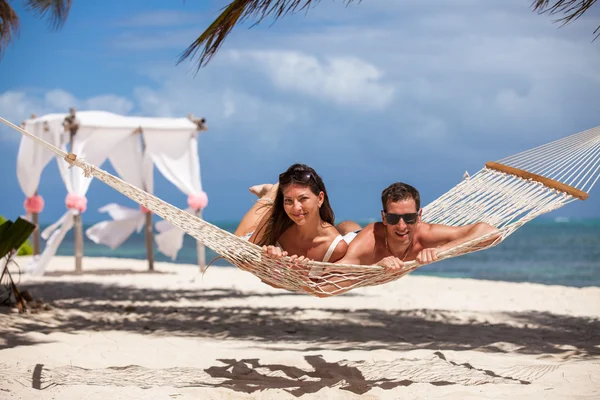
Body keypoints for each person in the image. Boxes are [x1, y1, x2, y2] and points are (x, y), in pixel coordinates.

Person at [336, 182, 499, 269]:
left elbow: (491, 232)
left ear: (419, 216)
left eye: (409, 218)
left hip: (359, 235)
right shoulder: (371, 235)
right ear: (384, 218)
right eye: (393, 218)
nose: (401, 226)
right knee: (345, 231)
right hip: (353, 241)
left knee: (350, 226)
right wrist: (375, 265)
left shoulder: (426, 233)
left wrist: (439, 250)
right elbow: (337, 271)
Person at [234, 163, 348, 263]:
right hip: (256, 235)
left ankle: (274, 191)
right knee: (235, 245)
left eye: (303, 198)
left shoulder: (335, 247)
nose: (296, 208)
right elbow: (244, 257)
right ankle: (271, 192)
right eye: (288, 200)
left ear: (320, 198)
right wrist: (266, 257)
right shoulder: (276, 219)